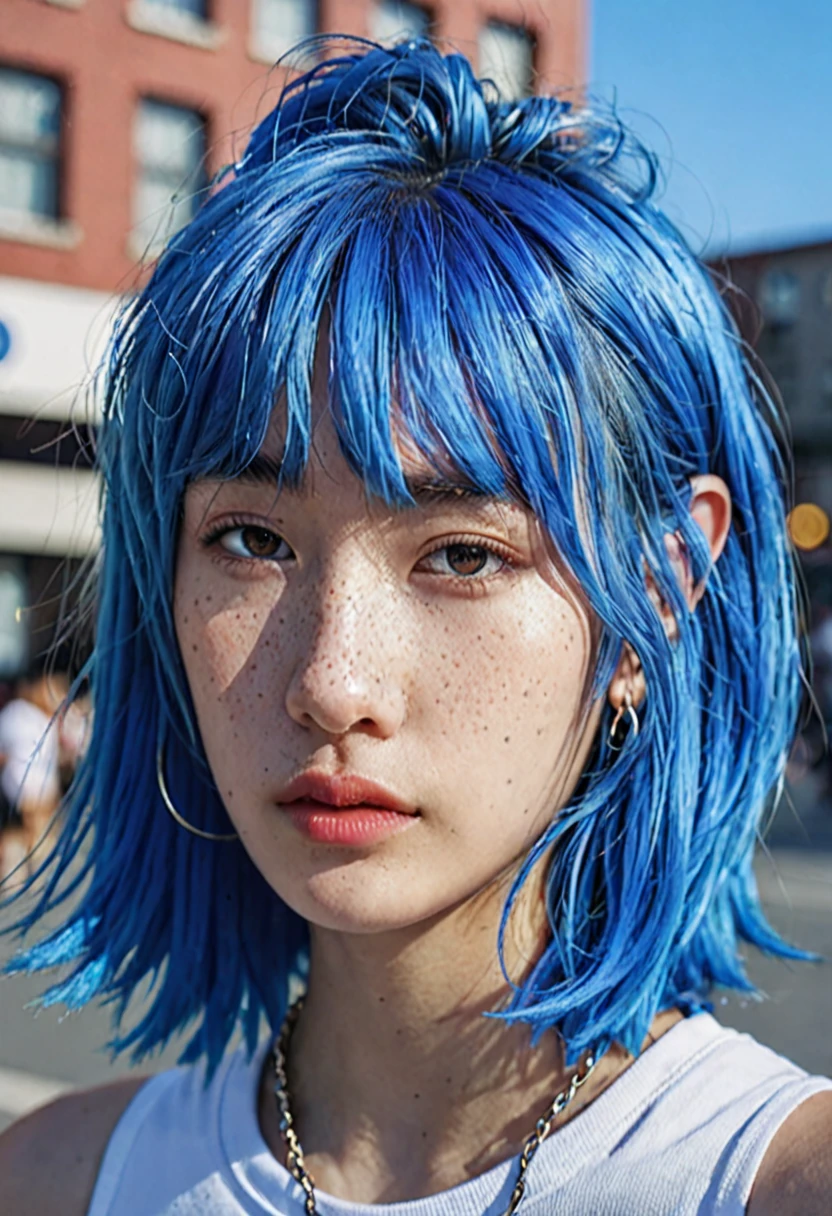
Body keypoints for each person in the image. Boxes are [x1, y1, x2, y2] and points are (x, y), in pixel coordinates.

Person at [0, 36, 830, 1216]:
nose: (332, 683)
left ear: (661, 586)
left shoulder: (774, 1185)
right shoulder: (56, 1180)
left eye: (461, 554)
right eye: (253, 539)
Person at [0, 669, 68, 886]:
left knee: (21, 833)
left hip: (18, 787)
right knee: (40, 836)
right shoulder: (42, 717)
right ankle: (39, 879)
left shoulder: (14, 713)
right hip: (45, 787)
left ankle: (20, 879)